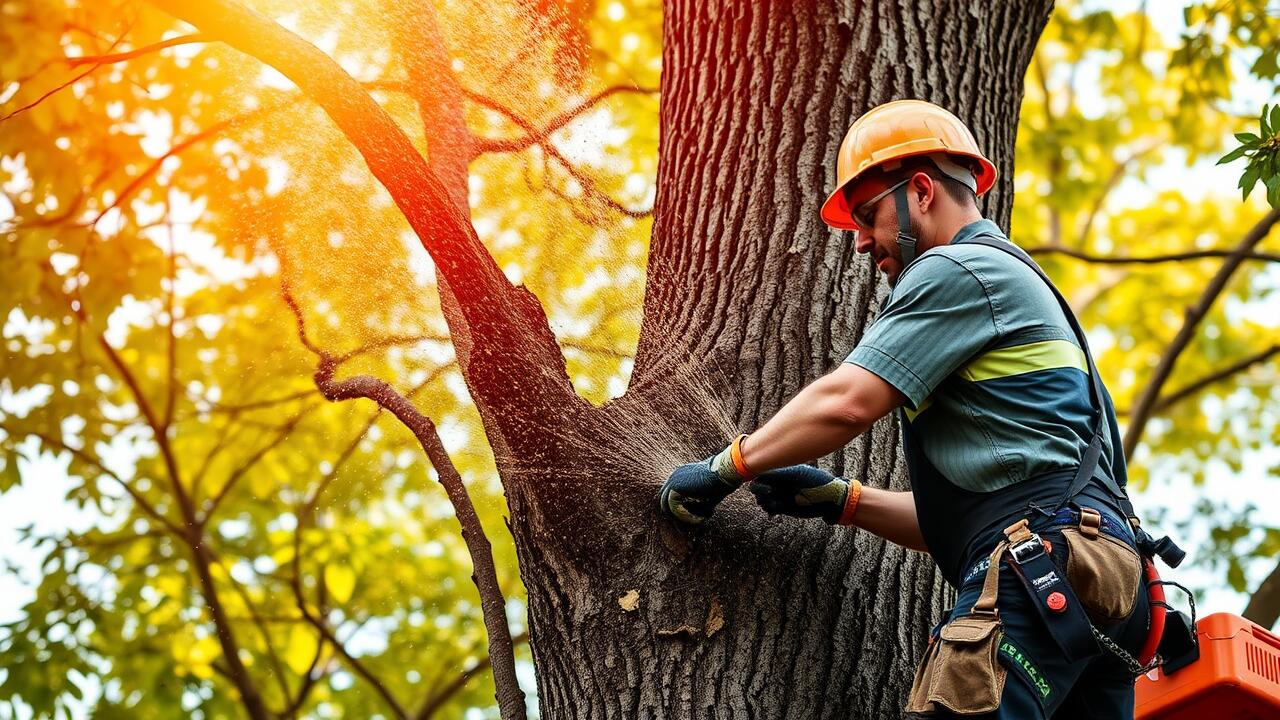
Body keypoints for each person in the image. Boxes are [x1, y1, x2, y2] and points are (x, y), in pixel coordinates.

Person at [658, 99, 1165, 719]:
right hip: (1108, 590)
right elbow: (982, 516)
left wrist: (724, 469)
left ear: (921, 190)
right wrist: (844, 501)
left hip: (1043, 566)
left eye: (868, 215)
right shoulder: (1031, 297)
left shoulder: (958, 268)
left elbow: (847, 403)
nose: (863, 242)